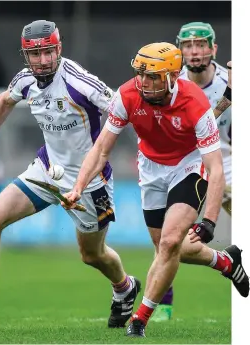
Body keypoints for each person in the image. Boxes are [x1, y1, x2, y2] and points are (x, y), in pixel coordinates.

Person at [0, 20, 141, 328]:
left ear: (58, 49)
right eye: (36, 54)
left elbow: (122, 110)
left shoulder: (79, 81)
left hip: (90, 183)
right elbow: (5, 100)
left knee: (92, 255)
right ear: (26, 56)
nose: (43, 60)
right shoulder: (24, 81)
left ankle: (125, 288)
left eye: (49, 52)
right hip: (46, 170)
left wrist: (144, 150)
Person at [61, 42, 249, 338]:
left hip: (188, 165)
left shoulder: (195, 103)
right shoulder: (127, 95)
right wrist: (77, 188)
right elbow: (100, 150)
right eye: (140, 74)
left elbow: (215, 168)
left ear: (173, 77)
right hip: (150, 170)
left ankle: (140, 319)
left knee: (171, 242)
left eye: (153, 77)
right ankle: (225, 261)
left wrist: (209, 220)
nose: (144, 83)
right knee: (172, 248)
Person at [152, 21, 232, 322]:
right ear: (179, 50)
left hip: (230, 164)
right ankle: (164, 302)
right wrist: (227, 100)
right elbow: (189, 130)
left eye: (201, 45)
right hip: (188, 166)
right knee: (166, 241)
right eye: (188, 46)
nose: (195, 52)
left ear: (213, 48)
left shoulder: (233, 78)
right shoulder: (170, 83)